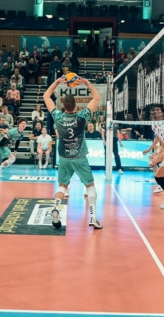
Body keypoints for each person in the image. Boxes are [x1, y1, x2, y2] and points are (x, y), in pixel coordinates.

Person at [43, 76, 103, 229]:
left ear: (63, 106)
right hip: (79, 157)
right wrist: (87, 82)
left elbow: (46, 96)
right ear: (75, 106)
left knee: (62, 186)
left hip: (64, 158)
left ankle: (55, 208)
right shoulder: (81, 116)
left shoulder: (57, 116)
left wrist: (57, 82)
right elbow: (97, 98)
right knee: (90, 186)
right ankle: (93, 217)